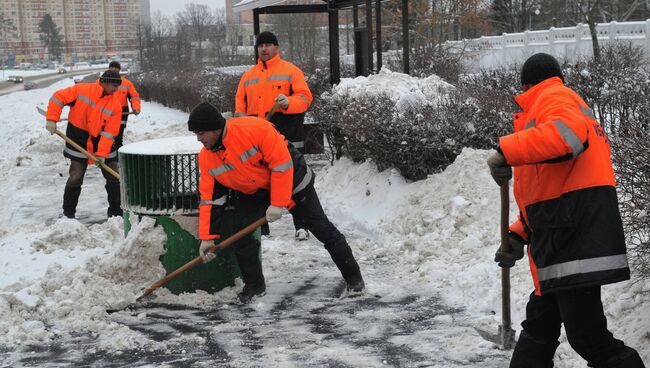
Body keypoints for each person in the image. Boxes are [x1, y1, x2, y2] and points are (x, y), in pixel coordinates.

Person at [486, 53, 645, 368]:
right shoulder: (559, 102)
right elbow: (551, 188)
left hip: (574, 241)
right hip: (565, 234)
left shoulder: (554, 97)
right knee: (540, 323)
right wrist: (519, 234)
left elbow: (566, 138)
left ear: (527, 83)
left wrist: (507, 150)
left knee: (588, 337)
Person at [189, 101, 364, 303]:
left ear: (216, 129)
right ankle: (254, 286)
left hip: (293, 179)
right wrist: (208, 237)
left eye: (201, 133)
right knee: (241, 232)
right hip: (255, 190)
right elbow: (210, 199)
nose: (198, 139)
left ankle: (354, 278)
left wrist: (278, 202)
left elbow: (281, 165)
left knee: (320, 227)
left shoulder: (255, 129)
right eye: (196, 134)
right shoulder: (207, 158)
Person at [235, 31, 313, 242]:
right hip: (258, 139)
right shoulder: (248, 76)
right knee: (260, 181)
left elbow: (305, 98)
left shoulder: (291, 72)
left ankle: (302, 225)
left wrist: (288, 103)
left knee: (295, 183)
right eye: (261, 45)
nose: (264, 49)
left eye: (269, 45)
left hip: (287, 135)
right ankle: (263, 228)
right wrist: (244, 130)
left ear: (277, 48)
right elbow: (240, 108)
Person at [45, 70, 124, 218]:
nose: (116, 89)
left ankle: (116, 213)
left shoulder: (115, 105)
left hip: (102, 142)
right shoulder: (82, 89)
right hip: (78, 139)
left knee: (114, 176)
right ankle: (68, 214)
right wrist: (51, 118)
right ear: (105, 82)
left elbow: (109, 133)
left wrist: (101, 154)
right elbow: (58, 97)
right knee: (75, 177)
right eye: (114, 85)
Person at [108, 61, 141, 149]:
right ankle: (107, 149)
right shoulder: (101, 81)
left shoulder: (126, 83)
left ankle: (118, 149)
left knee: (119, 133)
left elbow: (134, 96)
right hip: (106, 111)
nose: (114, 70)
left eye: (116, 68)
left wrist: (136, 107)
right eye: (112, 68)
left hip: (122, 112)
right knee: (107, 133)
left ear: (119, 70)